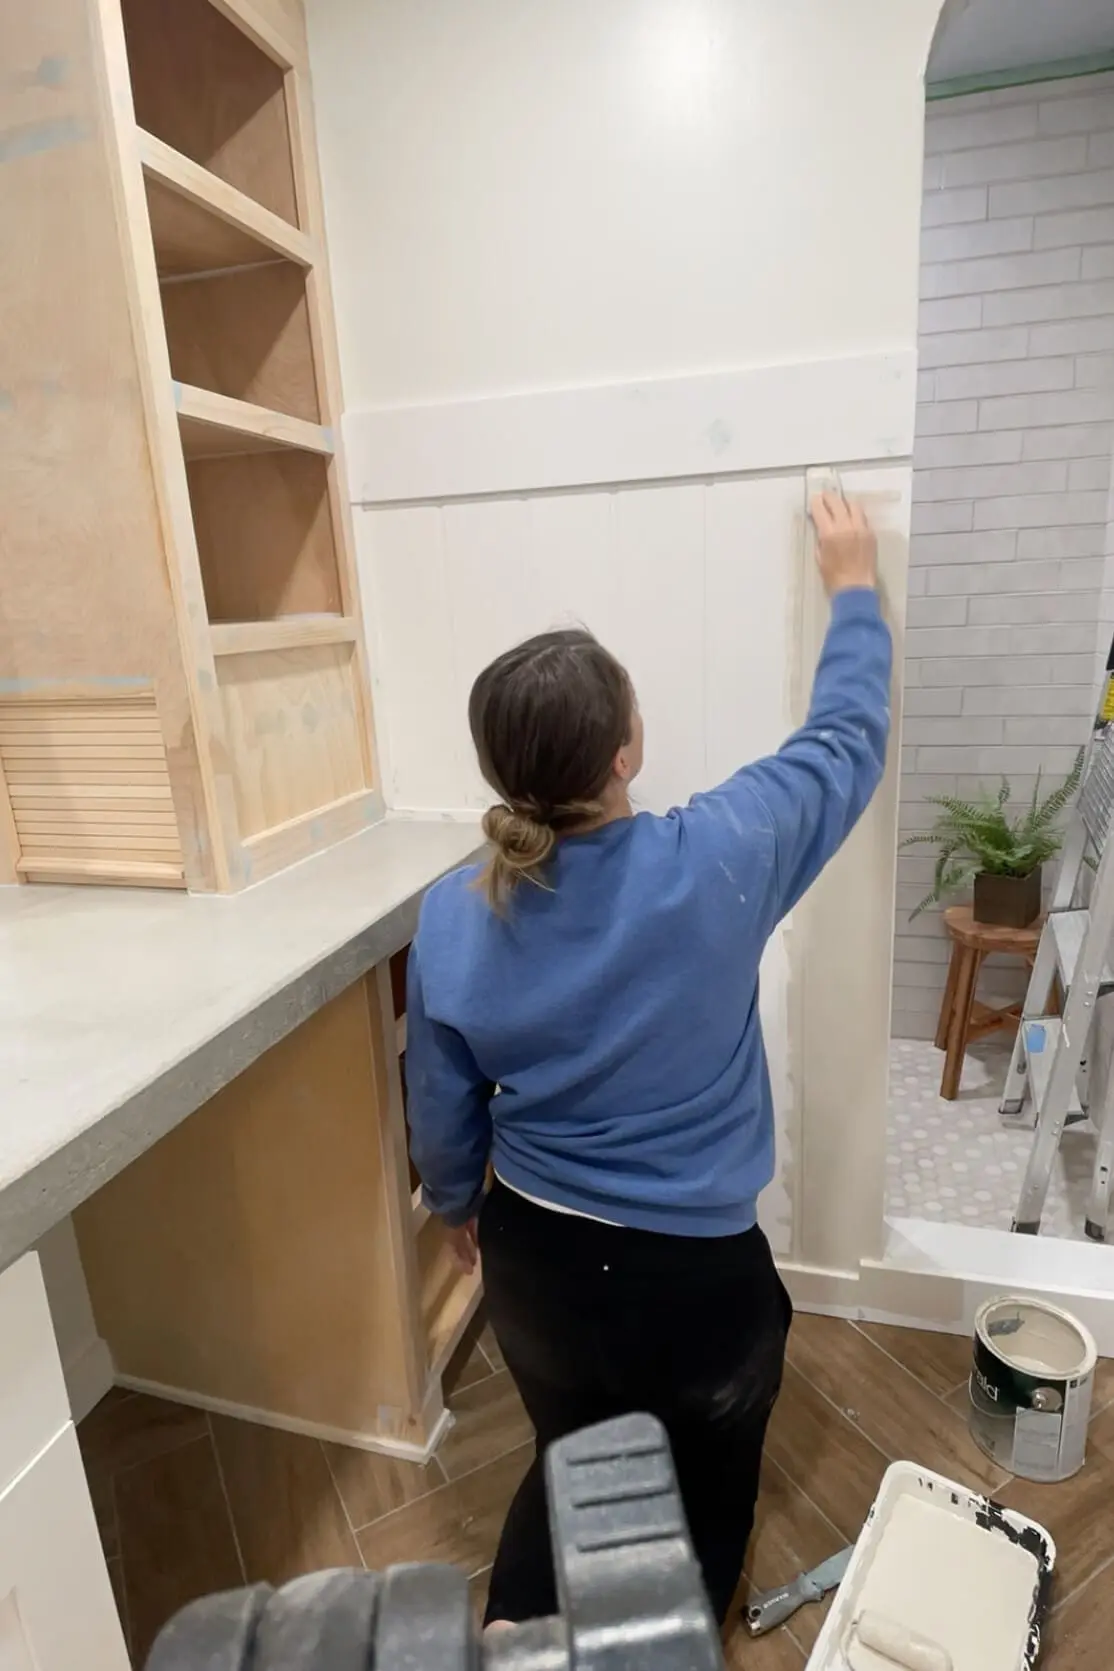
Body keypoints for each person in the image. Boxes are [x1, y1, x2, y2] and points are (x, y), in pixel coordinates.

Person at [405, 493, 891, 1629]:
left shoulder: (450, 915)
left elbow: (440, 1103)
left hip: (532, 1271)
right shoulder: (720, 858)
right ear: (628, 749)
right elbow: (846, 739)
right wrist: (854, 583)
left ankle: (519, 1637)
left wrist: (448, 1200)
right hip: (696, 1291)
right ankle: (678, 1632)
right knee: (709, 1479)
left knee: (571, 1454)